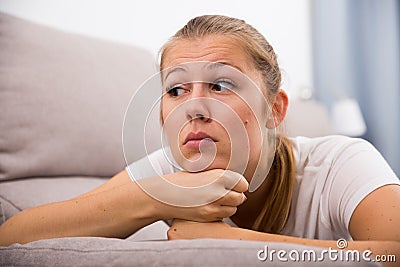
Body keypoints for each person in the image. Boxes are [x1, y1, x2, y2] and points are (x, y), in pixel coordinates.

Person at [0, 15, 399, 264]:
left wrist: (237, 243)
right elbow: (11, 241)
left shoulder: (337, 164)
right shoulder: (165, 174)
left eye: (222, 85)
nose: (194, 108)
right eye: (175, 91)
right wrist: (153, 197)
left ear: (274, 110)